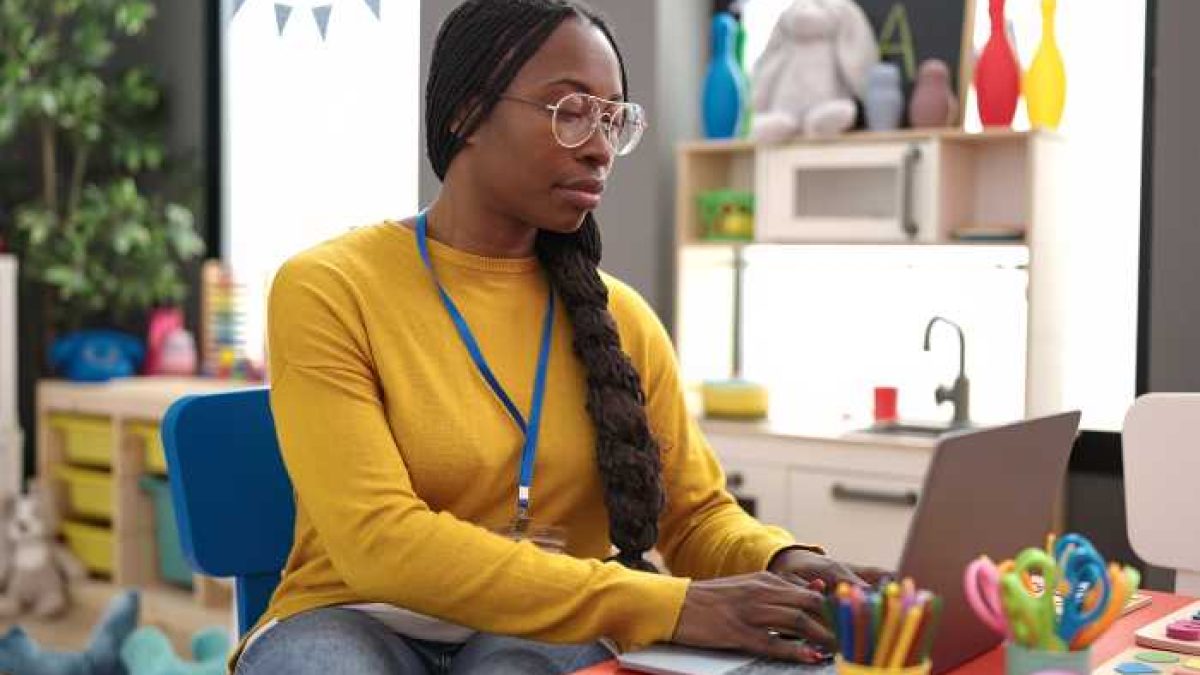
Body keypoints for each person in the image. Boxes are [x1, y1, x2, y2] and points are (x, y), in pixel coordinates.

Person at [233, 1, 883, 673]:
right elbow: (378, 539)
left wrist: (788, 561)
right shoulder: (329, 287)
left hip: (549, 624)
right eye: (571, 111)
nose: (601, 146)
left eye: (614, 119)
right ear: (466, 112)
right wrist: (671, 603)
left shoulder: (622, 317)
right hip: (354, 612)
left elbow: (692, 517)